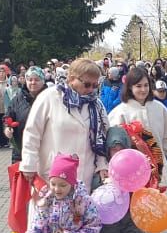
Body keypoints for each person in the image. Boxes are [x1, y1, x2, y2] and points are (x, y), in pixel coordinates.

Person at [20, 57, 110, 188]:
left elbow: (102, 137)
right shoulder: (49, 97)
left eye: (95, 85)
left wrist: (102, 165)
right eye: (87, 84)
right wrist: (29, 164)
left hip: (84, 177)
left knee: (79, 208)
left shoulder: (96, 105)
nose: (91, 89)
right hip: (52, 177)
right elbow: (32, 132)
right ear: (72, 78)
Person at [94, 127, 152, 233]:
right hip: (109, 217)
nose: (117, 152)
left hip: (131, 213)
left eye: (120, 148)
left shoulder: (135, 163)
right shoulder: (102, 167)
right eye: (113, 149)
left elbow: (144, 182)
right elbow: (94, 189)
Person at [108, 64, 167, 184]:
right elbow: (113, 144)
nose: (143, 90)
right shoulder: (120, 112)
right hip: (129, 171)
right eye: (138, 86)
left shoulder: (159, 108)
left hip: (155, 167)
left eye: (146, 85)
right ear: (130, 87)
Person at [5, 67, 43, 163]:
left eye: (36, 80)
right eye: (30, 80)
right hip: (21, 149)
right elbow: (8, 117)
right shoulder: (17, 99)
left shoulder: (50, 98)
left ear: (43, 81)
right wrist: (7, 128)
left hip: (44, 150)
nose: (33, 82)